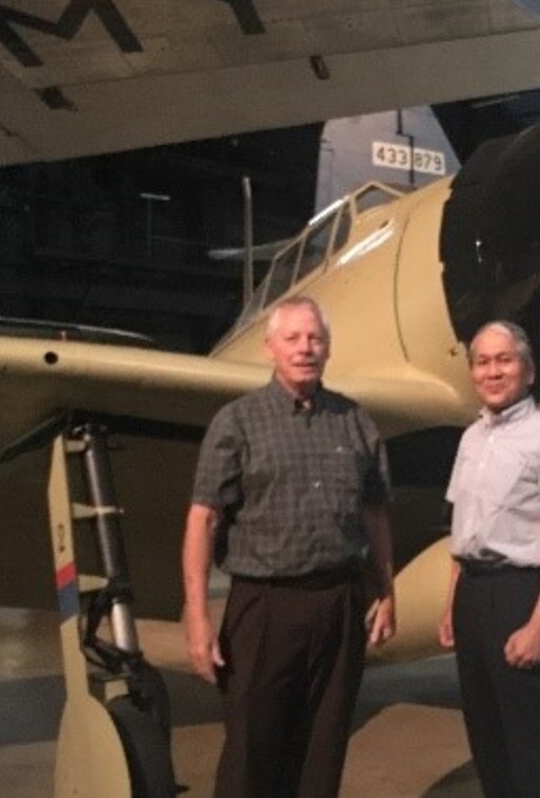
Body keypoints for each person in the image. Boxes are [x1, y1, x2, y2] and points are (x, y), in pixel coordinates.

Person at [182, 294, 396, 798]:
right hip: (265, 606)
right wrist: (197, 616)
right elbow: (203, 519)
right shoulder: (237, 422)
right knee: (251, 751)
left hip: (340, 603)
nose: (305, 348)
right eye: (293, 338)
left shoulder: (355, 421)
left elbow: (375, 514)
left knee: (324, 747)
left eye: (315, 338)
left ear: (329, 348)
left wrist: (387, 591)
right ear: (270, 348)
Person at [438, 320, 540, 798]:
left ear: (529, 370)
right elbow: (463, 529)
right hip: (472, 594)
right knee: (487, 739)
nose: (493, 371)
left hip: (521, 594)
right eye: (482, 362)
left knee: (530, 743)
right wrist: (451, 605)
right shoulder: (471, 440)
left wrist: (539, 626)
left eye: (505, 360)